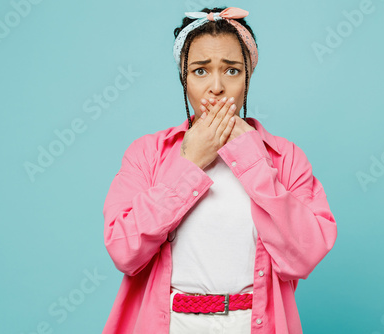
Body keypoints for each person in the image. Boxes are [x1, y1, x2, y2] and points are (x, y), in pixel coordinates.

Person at [102, 6, 337, 334]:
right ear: (183, 76)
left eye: (231, 70)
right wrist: (189, 164)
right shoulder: (146, 154)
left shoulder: (285, 157)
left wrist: (253, 162)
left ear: (248, 76)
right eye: (200, 71)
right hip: (171, 324)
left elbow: (305, 254)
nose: (216, 87)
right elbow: (124, 251)